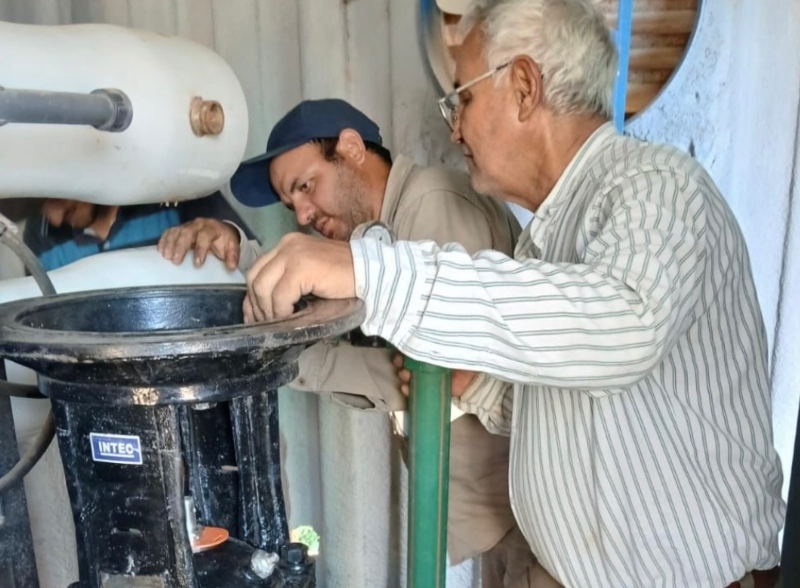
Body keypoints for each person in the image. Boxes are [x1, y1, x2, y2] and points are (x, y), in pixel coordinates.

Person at [238, 1, 786, 587]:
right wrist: (479, 386)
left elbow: (624, 326)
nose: (454, 127)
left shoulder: (656, 184)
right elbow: (560, 404)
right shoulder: (546, 238)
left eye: (464, 99)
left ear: (524, 87)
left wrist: (368, 270)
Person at [158, 99, 538, 587]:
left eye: (305, 186)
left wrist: (283, 359)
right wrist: (233, 248)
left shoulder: (431, 205)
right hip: (486, 510)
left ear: (352, 149)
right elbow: (320, 288)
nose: (302, 214)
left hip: (516, 507)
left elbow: (432, 375)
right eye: (289, 203)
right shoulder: (371, 235)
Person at [23, 193, 245, 271]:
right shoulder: (40, 235)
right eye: (42, 199)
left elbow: (250, 261)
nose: (55, 218)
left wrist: (229, 235)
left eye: (56, 194)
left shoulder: (176, 193)